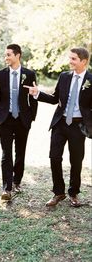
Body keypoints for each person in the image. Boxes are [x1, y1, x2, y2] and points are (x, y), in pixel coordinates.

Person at [25, 47, 92, 207]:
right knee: (54, 157)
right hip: (60, 124)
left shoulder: (91, 79)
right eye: (70, 58)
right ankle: (58, 192)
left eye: (73, 59)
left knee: (76, 160)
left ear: (83, 61)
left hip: (78, 126)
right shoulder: (64, 77)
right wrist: (37, 93)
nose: (70, 61)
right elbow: (55, 98)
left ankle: (73, 193)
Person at [0, 44, 38, 200]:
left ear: (18, 55)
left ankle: (17, 180)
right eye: (5, 55)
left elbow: (33, 97)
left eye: (8, 55)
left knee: (20, 152)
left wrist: (31, 117)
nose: (6, 58)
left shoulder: (29, 74)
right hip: (5, 119)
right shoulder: (0, 75)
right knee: (6, 153)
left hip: (23, 120)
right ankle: (7, 188)